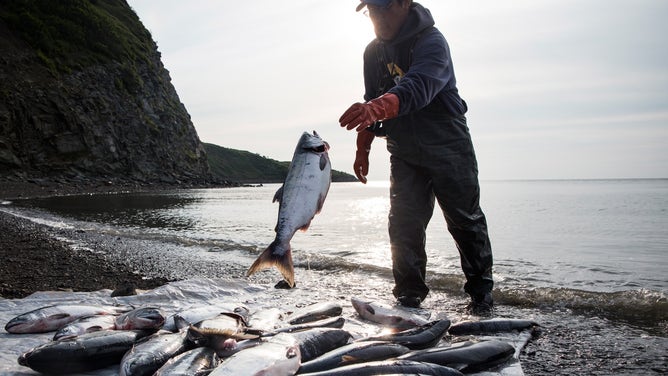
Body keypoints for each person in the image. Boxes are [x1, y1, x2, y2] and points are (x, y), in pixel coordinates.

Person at [339, 0, 494, 314]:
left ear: (404, 4)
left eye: (383, 9)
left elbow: (420, 86)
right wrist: (363, 149)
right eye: (371, 11)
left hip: (448, 143)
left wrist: (375, 108)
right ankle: (408, 298)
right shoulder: (372, 52)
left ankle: (481, 297)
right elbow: (372, 99)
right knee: (404, 225)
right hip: (403, 149)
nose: (377, 18)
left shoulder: (432, 42)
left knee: (465, 221)